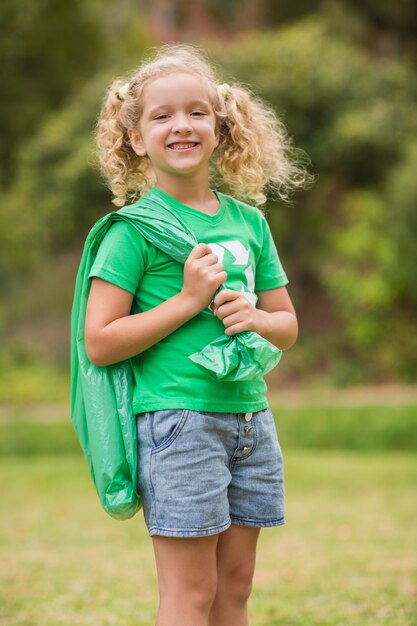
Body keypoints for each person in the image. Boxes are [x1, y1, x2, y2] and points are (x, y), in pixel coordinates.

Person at [84, 43, 308, 626]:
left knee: (234, 589)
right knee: (190, 593)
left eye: (196, 112)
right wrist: (188, 301)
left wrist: (255, 318)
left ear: (220, 127)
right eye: (161, 116)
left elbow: (285, 326)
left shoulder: (249, 221)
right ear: (136, 138)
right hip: (178, 423)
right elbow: (99, 340)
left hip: (250, 421)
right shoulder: (132, 233)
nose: (181, 125)